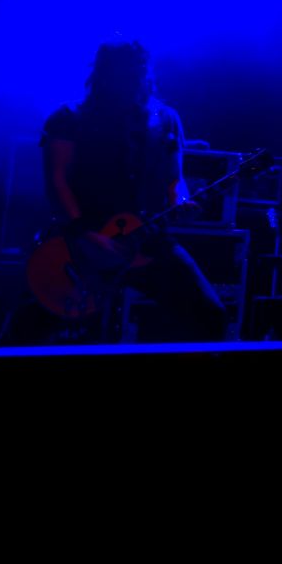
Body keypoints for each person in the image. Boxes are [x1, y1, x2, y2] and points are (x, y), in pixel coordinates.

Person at [28, 39, 228, 342]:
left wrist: (182, 202)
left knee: (210, 317)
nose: (131, 79)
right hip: (79, 245)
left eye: (137, 71)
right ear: (102, 73)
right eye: (122, 72)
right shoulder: (67, 118)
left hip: (146, 240)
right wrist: (83, 234)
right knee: (36, 331)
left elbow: (174, 179)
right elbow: (57, 181)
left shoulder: (166, 119)